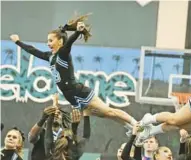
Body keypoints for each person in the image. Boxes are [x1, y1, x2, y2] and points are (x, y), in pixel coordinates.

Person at [10, 14, 138, 131]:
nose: (48, 43)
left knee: (109, 112)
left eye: (50, 40)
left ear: (60, 41)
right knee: (106, 115)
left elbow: (69, 43)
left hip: (80, 92)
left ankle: (137, 124)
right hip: (72, 98)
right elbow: (33, 50)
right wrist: (18, 42)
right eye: (47, 40)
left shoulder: (63, 54)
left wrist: (78, 32)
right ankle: (130, 127)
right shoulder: (50, 56)